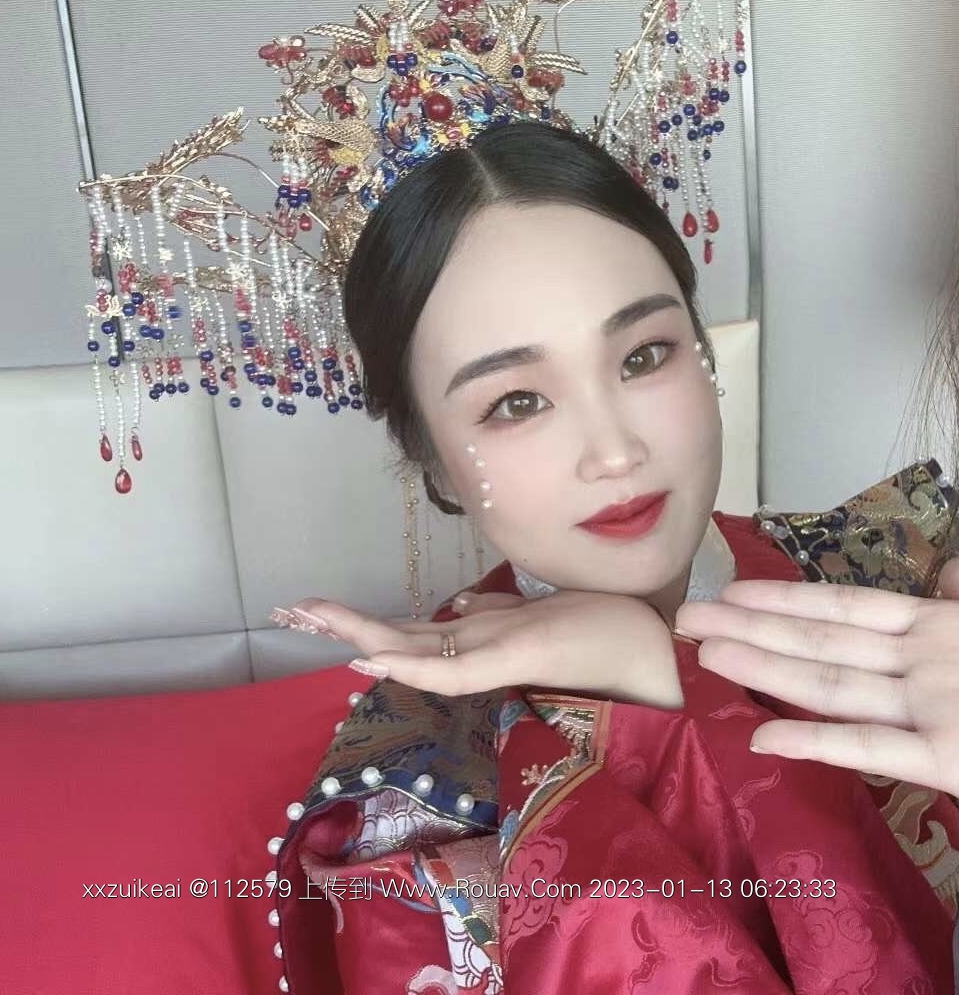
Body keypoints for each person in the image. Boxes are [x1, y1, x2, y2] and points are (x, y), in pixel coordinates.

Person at [271, 120, 959, 993]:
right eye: (516, 402)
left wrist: (662, 665)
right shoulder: (413, 801)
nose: (612, 451)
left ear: (703, 355)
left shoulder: (902, 573)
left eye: (643, 355)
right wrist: (645, 692)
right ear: (432, 461)